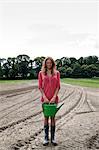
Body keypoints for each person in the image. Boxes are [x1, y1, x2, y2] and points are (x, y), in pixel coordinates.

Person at [38, 56, 60, 146]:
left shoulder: (57, 73)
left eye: (50, 63)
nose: (49, 64)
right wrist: (44, 96)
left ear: (53, 63)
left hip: (54, 98)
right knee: (46, 117)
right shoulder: (41, 73)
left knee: (53, 117)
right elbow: (40, 86)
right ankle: (46, 138)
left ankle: (53, 138)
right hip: (45, 99)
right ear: (45, 64)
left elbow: (58, 86)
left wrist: (54, 96)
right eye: (47, 63)